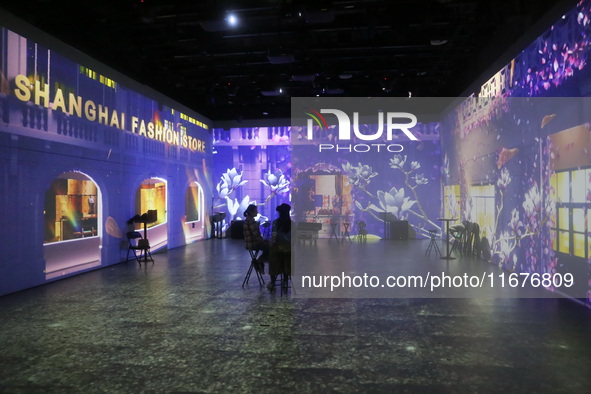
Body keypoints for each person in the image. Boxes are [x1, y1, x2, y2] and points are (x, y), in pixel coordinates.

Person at [267, 203, 293, 291]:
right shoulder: (292, 224)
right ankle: (285, 281)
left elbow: (274, 236)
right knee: (287, 262)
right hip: (289, 249)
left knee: (273, 260)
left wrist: (271, 243)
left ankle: (272, 282)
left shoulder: (275, 223)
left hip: (278, 248)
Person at [243, 204, 269, 274]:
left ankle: (259, 262)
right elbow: (256, 235)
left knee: (268, 244)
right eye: (256, 211)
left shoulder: (248, 220)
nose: (257, 212)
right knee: (270, 247)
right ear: (251, 212)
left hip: (250, 243)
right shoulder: (251, 221)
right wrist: (263, 241)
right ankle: (259, 261)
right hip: (253, 244)